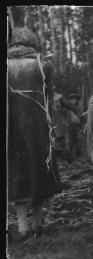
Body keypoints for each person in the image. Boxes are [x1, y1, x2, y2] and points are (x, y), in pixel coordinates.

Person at [7, 28, 60, 239]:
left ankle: (21, 227)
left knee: (17, 174)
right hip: (39, 129)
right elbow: (50, 97)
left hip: (12, 130)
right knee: (40, 172)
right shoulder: (43, 64)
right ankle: (38, 224)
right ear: (34, 42)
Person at [66, 93, 82, 158]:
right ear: (69, 100)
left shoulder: (78, 108)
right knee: (70, 143)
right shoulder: (67, 108)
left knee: (78, 143)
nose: (74, 100)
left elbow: (80, 117)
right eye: (72, 99)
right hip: (70, 127)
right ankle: (70, 158)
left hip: (78, 127)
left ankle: (78, 157)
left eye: (75, 99)